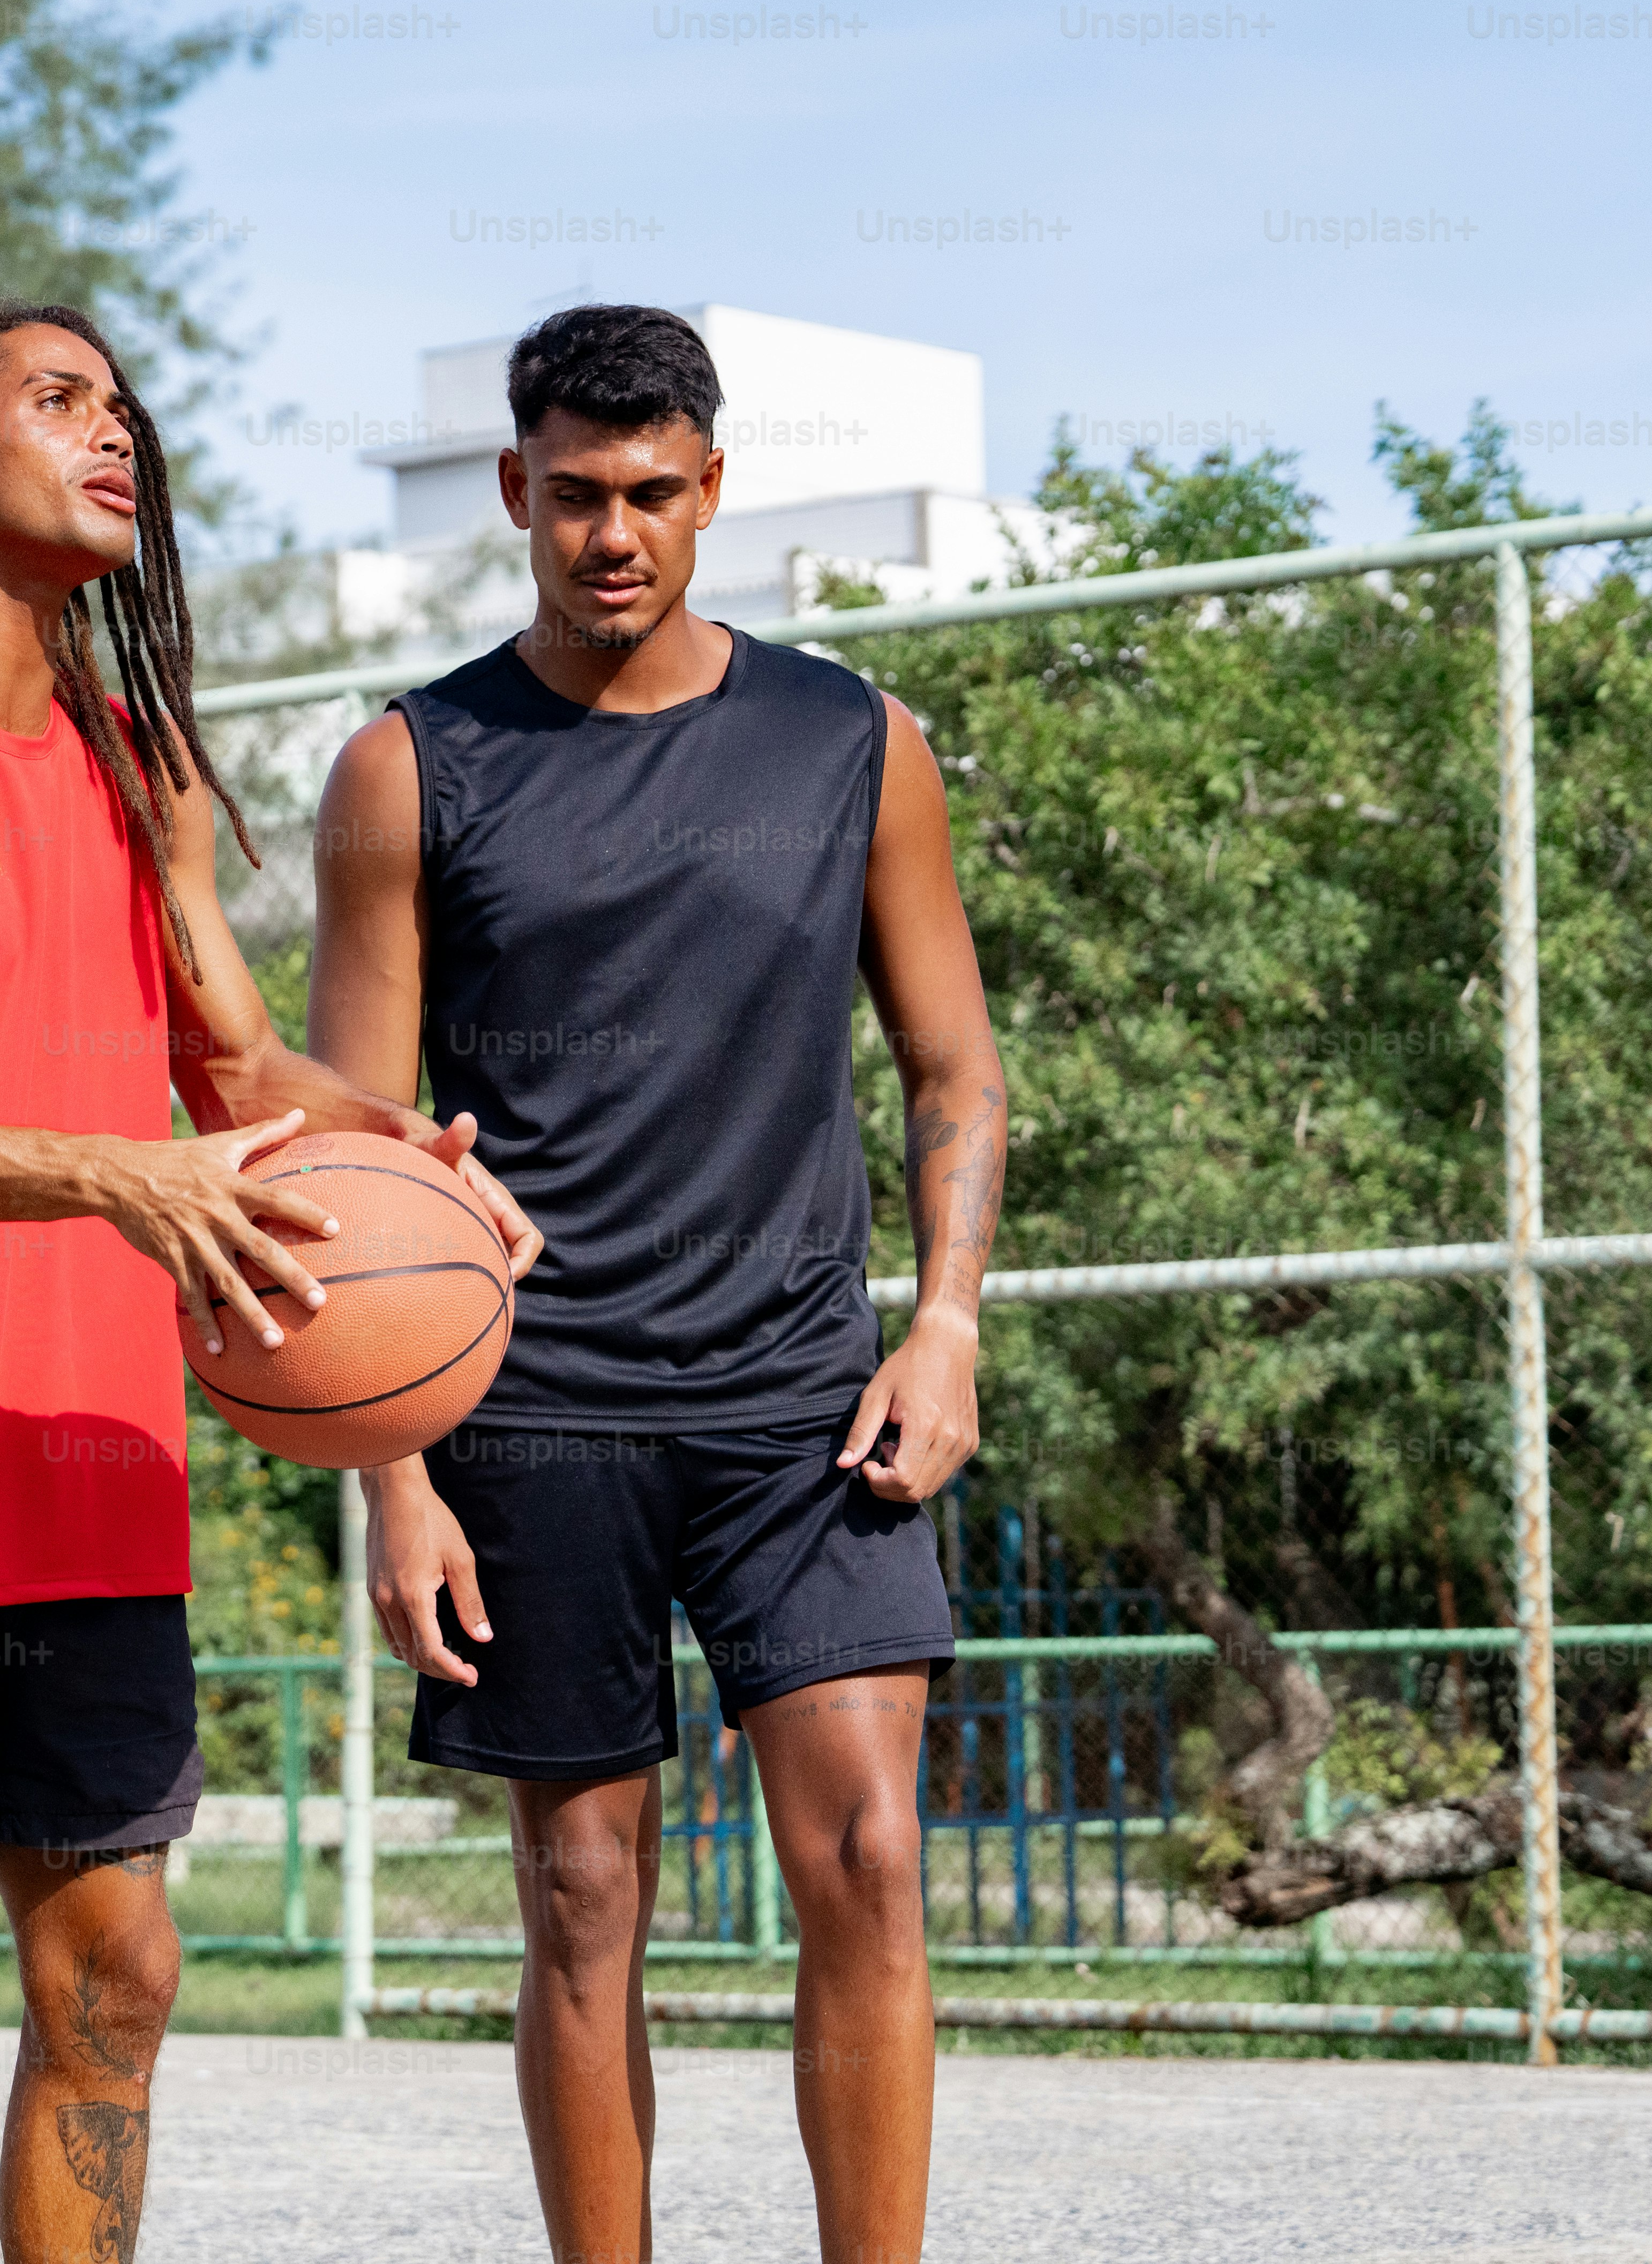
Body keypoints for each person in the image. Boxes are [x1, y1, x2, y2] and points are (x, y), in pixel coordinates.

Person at [0, 298, 537, 2264]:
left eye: (124, 412)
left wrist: (405, 1155)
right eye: (59, 403)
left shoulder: (135, 763)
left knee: (117, 1982)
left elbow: (238, 1068)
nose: (115, 441)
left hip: (91, 1464)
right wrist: (112, 1173)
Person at [309, 304, 1004, 2264]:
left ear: (712, 491)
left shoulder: (850, 739)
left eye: (651, 495)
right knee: (581, 1897)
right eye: (573, 496)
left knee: (867, 1860)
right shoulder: (406, 766)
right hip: (523, 1408)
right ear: (515, 492)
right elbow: (352, 1152)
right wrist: (394, 1473)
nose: (611, 533)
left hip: (803, 1400)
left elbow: (954, 1071)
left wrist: (942, 1321)